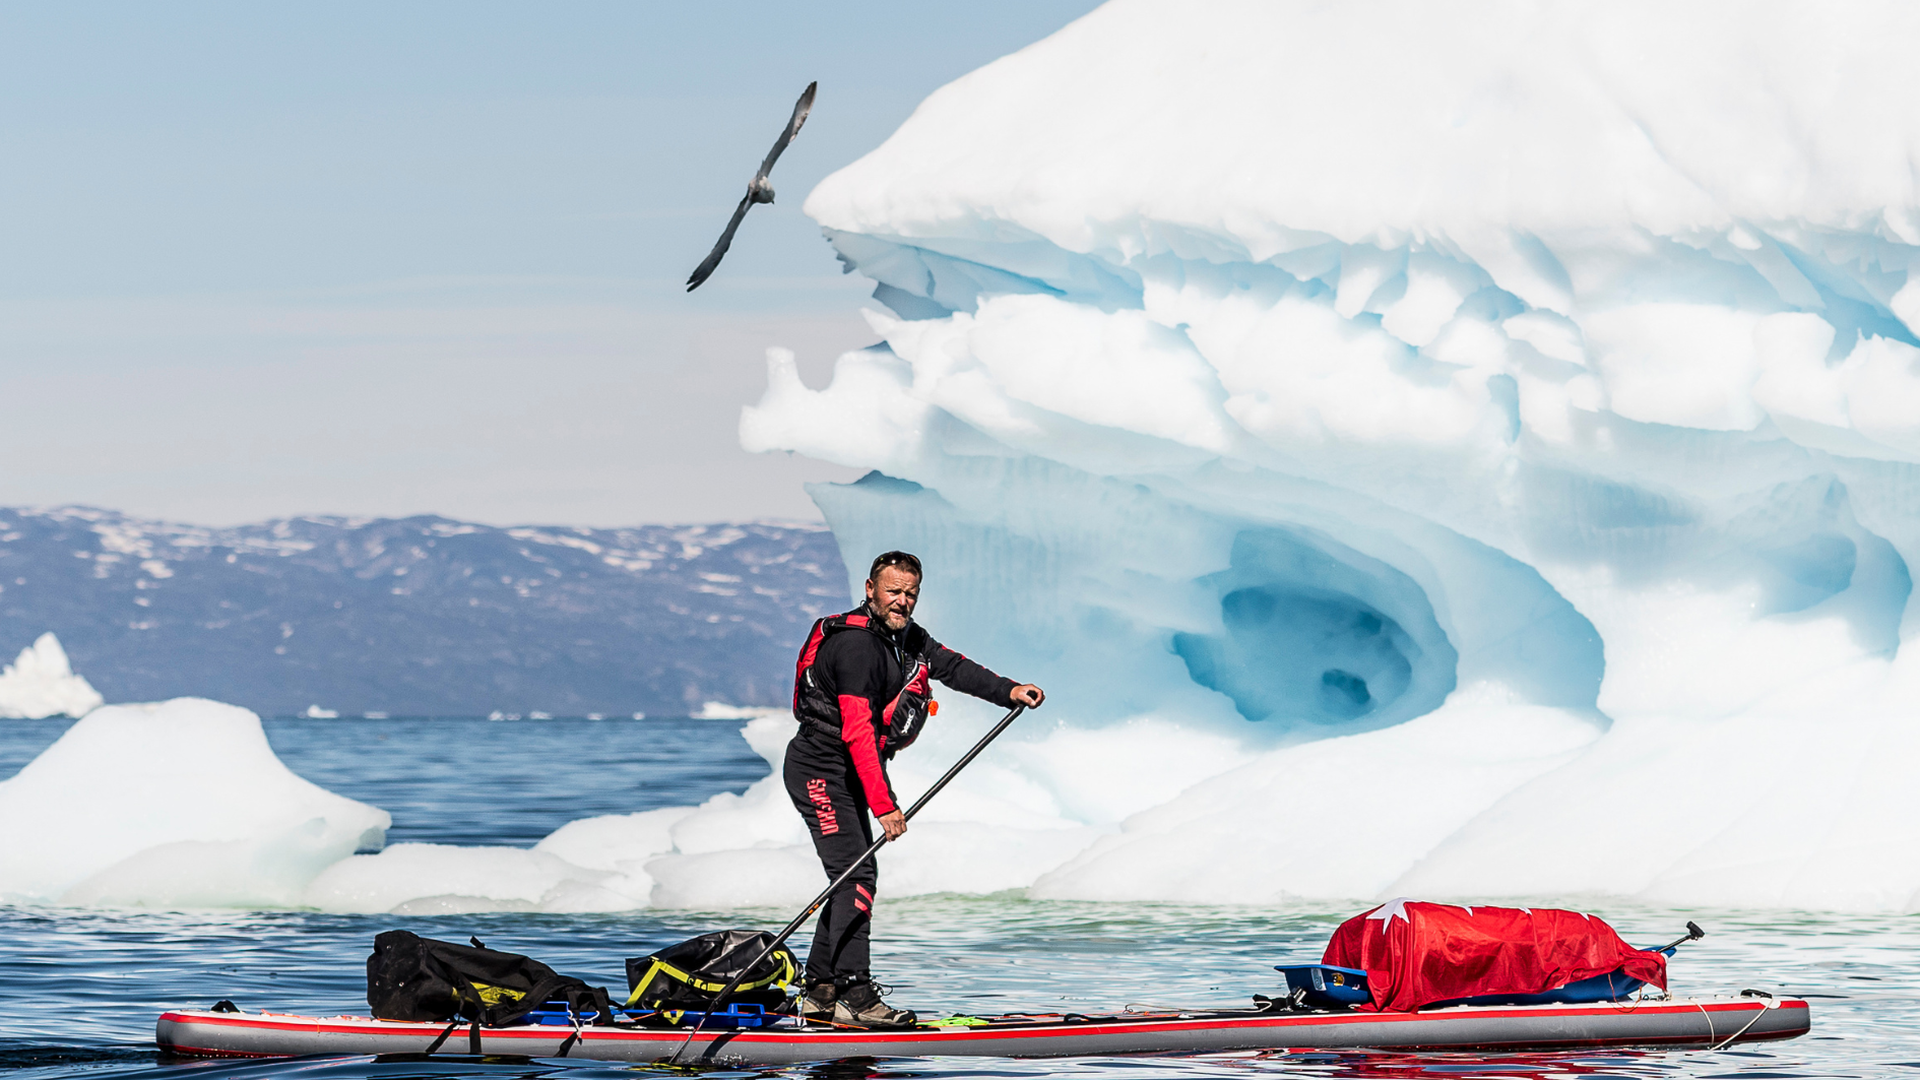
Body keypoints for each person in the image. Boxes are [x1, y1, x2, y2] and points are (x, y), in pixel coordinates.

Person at [784, 550, 1045, 1028]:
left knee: (851, 876)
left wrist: (1009, 690)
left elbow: (952, 666)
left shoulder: (906, 637)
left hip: (848, 772)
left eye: (910, 593)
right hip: (819, 769)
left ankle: (821, 992)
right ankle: (855, 997)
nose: (902, 601)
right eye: (893, 591)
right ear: (869, 590)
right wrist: (885, 806)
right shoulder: (856, 649)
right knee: (857, 877)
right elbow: (859, 732)